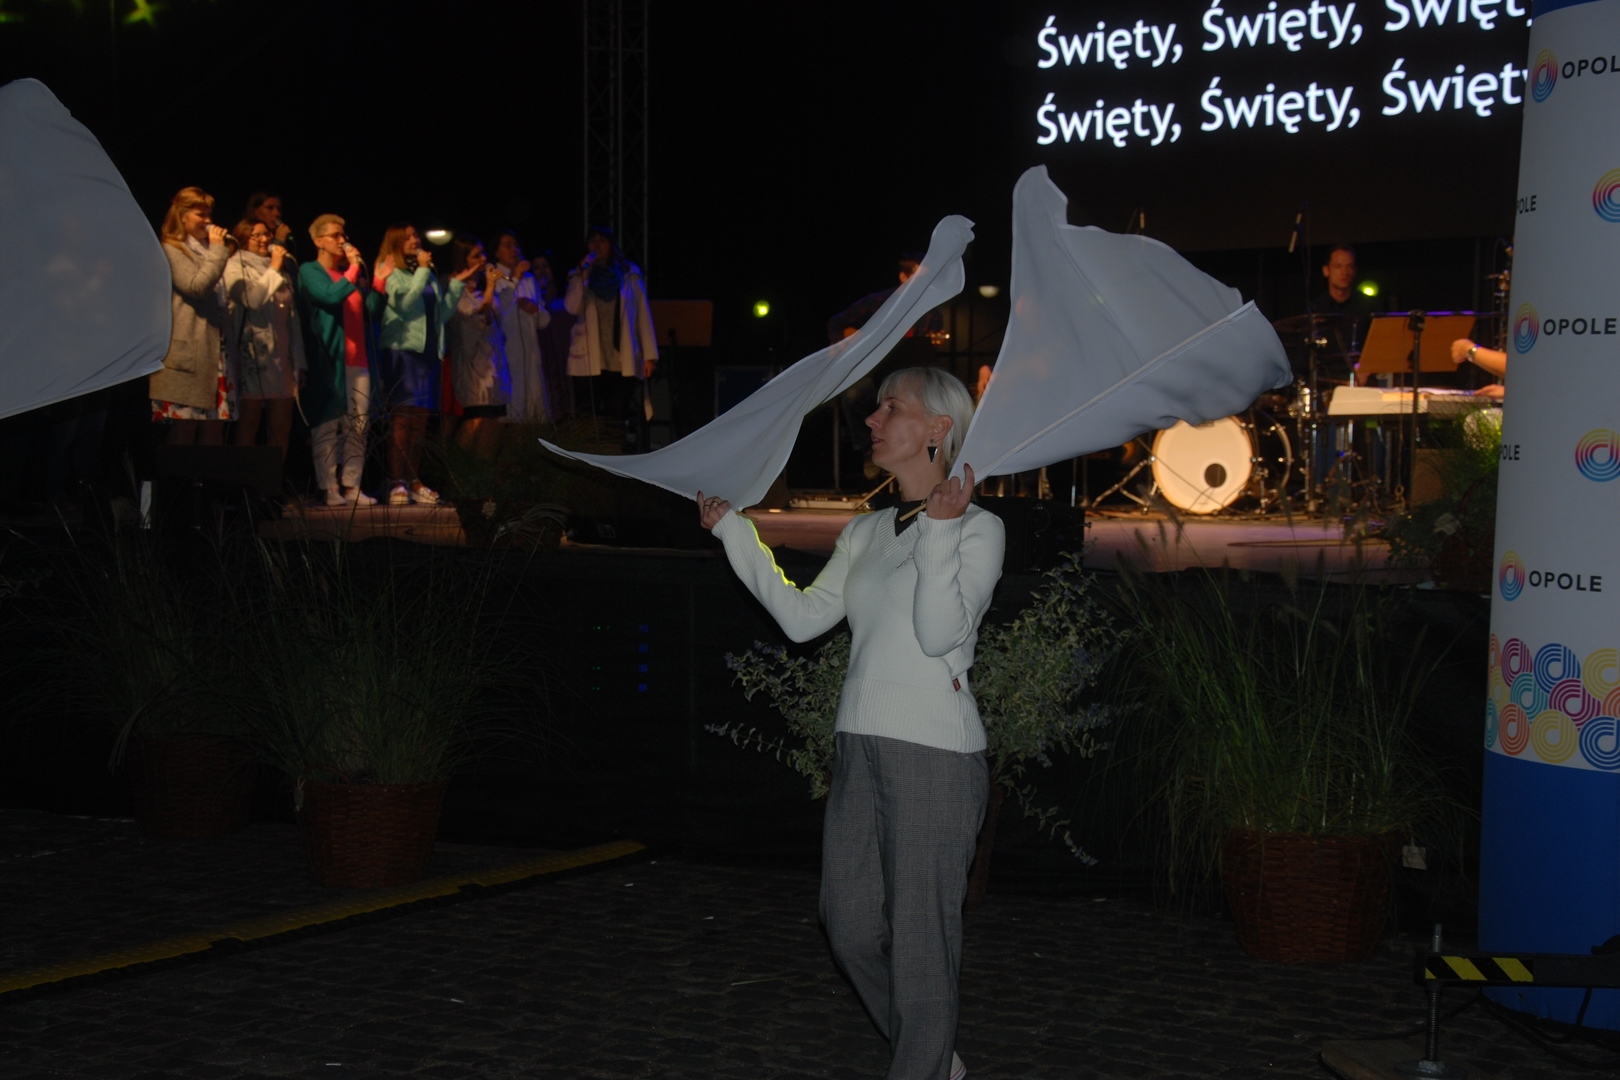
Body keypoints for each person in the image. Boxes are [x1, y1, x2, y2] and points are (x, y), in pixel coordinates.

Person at [698, 366, 1001, 1080]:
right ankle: (934, 1058)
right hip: (860, 744)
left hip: (936, 755)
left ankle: (922, 1065)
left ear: (938, 429)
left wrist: (940, 532)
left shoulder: (979, 530)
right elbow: (804, 619)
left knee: (923, 947)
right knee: (850, 926)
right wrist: (735, 533)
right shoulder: (865, 530)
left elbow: (938, 635)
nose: (871, 419)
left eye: (891, 407)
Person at [297, 213, 390, 507]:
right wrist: (352, 270)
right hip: (329, 360)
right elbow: (328, 296)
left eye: (343, 234)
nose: (342, 240)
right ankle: (329, 487)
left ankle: (352, 485)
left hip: (358, 361)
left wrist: (379, 282)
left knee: (358, 426)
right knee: (327, 424)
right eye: (335, 235)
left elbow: (369, 312)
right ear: (318, 241)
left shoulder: (348, 274)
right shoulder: (310, 270)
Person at [374, 223, 461, 505]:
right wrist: (423, 271)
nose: (415, 240)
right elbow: (404, 305)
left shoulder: (427, 273)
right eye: (409, 237)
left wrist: (456, 286)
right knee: (402, 418)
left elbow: (441, 314)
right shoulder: (390, 270)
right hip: (403, 351)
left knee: (420, 422)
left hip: (427, 353)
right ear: (396, 242)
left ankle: (414, 480)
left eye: (415, 235)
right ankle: (395, 482)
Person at [149, 186, 238, 446]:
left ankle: (210, 474)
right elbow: (196, 286)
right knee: (185, 429)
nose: (208, 221)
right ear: (182, 215)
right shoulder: (170, 249)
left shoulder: (207, 250)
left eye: (209, 214)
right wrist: (219, 251)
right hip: (189, 353)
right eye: (201, 214)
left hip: (214, 352)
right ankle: (177, 475)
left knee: (214, 428)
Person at [225, 218, 306, 464]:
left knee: (282, 425)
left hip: (282, 358)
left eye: (267, 235)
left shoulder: (279, 269)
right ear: (243, 239)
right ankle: (242, 480)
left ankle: (271, 481)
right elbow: (252, 299)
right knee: (249, 424)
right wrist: (273, 268)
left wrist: (300, 362)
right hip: (253, 357)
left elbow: (293, 320)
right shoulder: (234, 265)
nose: (265, 239)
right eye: (257, 235)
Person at [565, 226, 657, 420]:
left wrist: (649, 356)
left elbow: (643, 315)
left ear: (611, 245)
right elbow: (572, 308)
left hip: (620, 358)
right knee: (587, 419)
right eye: (593, 241)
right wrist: (584, 276)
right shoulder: (578, 275)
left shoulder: (629, 275)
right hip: (588, 358)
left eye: (602, 241)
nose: (597, 246)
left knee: (615, 418)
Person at [447, 234, 510, 456]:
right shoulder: (456, 289)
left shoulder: (481, 286)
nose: (483, 259)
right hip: (473, 364)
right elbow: (481, 318)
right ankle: (456, 469)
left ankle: (481, 471)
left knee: (494, 420)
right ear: (463, 260)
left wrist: (490, 287)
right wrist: (491, 287)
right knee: (477, 418)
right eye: (476, 256)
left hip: (493, 360)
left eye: (482, 253)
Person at [490, 228, 551, 423]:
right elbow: (498, 311)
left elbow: (544, 320)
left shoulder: (529, 279)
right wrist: (515, 277)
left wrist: (534, 309)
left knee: (532, 412)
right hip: (507, 353)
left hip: (530, 354)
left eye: (516, 245)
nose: (514, 249)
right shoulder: (492, 277)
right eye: (508, 245)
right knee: (511, 412)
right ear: (497, 252)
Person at [243, 191, 297, 258]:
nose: (277, 213)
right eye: (270, 208)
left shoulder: (283, 237)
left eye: (279, 209)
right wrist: (279, 241)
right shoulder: (247, 237)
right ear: (256, 211)